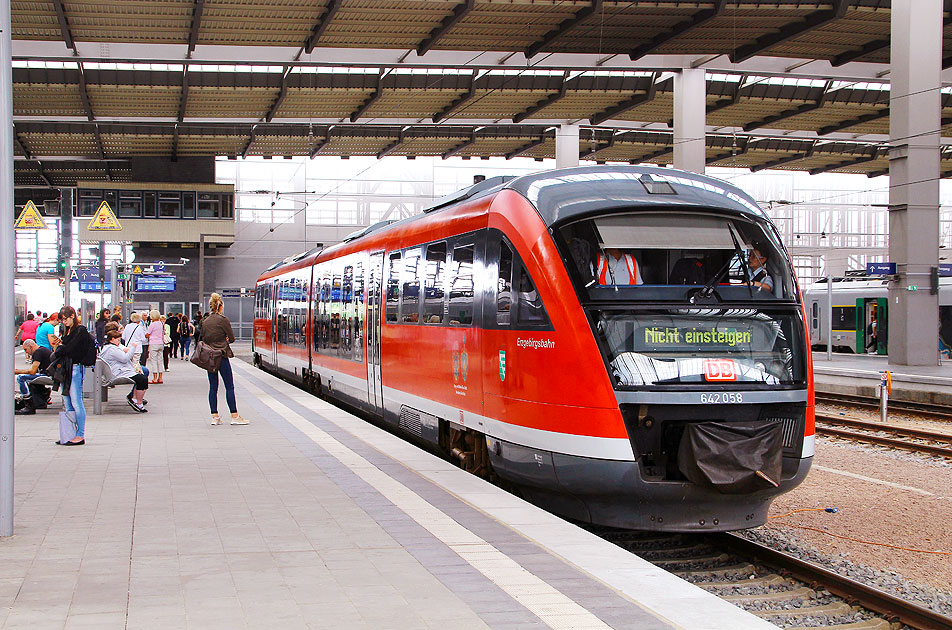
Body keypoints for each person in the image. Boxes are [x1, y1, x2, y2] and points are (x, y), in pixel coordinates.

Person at [49, 306, 96, 445]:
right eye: (62, 320)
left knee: (76, 401)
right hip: (66, 368)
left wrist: (61, 348)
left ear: (72, 316)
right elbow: (65, 348)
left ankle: (80, 434)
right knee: (67, 402)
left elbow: (70, 349)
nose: (64, 322)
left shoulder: (80, 330)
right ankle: (70, 433)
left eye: (66, 319)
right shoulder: (67, 330)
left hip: (75, 368)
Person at [202, 293, 246, 426]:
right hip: (222, 355)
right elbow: (231, 338)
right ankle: (234, 415)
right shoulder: (223, 320)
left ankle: (215, 417)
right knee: (229, 386)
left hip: (210, 357)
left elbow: (203, 339)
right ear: (220, 306)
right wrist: (225, 339)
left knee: (213, 387)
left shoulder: (205, 321)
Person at [100, 330, 149, 412]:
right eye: (118, 340)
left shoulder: (108, 348)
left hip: (118, 371)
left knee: (142, 376)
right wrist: (133, 347)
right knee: (142, 379)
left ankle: (135, 398)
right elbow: (125, 359)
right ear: (112, 339)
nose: (119, 342)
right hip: (119, 373)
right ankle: (138, 402)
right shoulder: (112, 349)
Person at [14, 339, 52, 414]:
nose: (26, 352)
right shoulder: (42, 350)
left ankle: (27, 402)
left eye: (26, 349)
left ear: (31, 346)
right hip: (50, 374)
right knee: (28, 378)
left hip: (48, 375)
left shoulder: (37, 352)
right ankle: (41, 397)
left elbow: (32, 371)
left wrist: (17, 371)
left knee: (21, 378)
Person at [146, 310, 165, 384]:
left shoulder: (152, 324)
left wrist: (146, 335)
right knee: (160, 360)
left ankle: (154, 378)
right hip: (161, 343)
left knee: (153, 361)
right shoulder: (161, 323)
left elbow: (148, 334)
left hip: (153, 343)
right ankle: (160, 378)